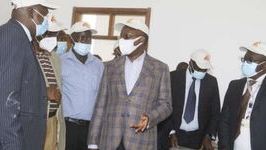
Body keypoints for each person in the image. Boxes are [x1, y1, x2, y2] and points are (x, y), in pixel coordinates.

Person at [87, 19, 172, 150]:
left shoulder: (160, 69)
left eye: (126, 37)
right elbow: (100, 106)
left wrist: (150, 118)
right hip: (110, 140)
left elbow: (166, 105)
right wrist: (93, 142)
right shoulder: (110, 67)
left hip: (141, 142)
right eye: (121, 37)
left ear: (141, 40)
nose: (122, 40)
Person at [0, 0, 58, 150]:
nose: (46, 20)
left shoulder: (20, 38)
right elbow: (6, 102)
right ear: (31, 12)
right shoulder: (10, 36)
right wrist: (14, 146)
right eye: (44, 15)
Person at [218, 41, 266, 150]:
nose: (244, 63)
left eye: (249, 61)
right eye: (244, 59)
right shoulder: (235, 85)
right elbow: (224, 121)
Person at [61, 21, 104, 150]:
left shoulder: (98, 65)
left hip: (91, 128)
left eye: (89, 38)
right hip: (68, 126)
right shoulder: (61, 62)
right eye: (82, 37)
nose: (86, 41)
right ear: (72, 37)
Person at [168, 49, 220, 150]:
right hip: (174, 135)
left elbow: (215, 112)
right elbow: (165, 106)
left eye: (205, 69)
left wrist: (208, 136)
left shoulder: (211, 82)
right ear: (190, 63)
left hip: (198, 138)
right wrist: (171, 131)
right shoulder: (173, 77)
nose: (201, 72)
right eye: (199, 68)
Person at [34, 15, 66, 150]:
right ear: (39, 36)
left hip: (53, 119)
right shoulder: (28, 55)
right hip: (34, 122)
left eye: (56, 36)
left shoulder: (55, 57)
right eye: (51, 35)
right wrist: (44, 91)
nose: (55, 40)